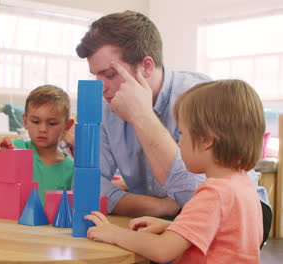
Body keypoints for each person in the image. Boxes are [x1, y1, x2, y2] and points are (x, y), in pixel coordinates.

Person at [76, 10, 271, 246]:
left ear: (146, 66)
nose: (101, 87)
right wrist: (158, 206)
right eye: (96, 75)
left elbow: (200, 197)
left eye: (109, 74)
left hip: (239, 216)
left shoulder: (201, 97)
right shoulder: (107, 105)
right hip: (169, 217)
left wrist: (141, 115)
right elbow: (90, 185)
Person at [85, 79, 264, 263]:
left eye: (183, 134)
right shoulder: (243, 185)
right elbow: (224, 236)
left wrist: (114, 233)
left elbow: (162, 250)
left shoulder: (213, 194)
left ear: (206, 141)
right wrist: (174, 227)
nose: (179, 143)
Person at [0, 85, 75, 203]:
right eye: (35, 122)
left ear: (67, 126)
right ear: (25, 121)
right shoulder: (14, 149)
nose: (43, 129)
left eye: (52, 123)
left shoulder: (71, 168)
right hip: (8, 221)